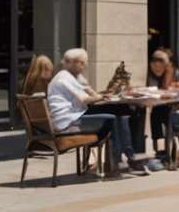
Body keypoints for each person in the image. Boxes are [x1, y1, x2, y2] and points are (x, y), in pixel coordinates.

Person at [42, 49, 149, 178]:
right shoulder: (64, 78)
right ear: (75, 63)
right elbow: (86, 99)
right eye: (83, 63)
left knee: (126, 111)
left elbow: (90, 94)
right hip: (69, 122)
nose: (85, 66)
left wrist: (94, 91)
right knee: (113, 118)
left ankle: (131, 159)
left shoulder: (70, 76)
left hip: (75, 115)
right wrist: (106, 96)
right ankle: (121, 162)